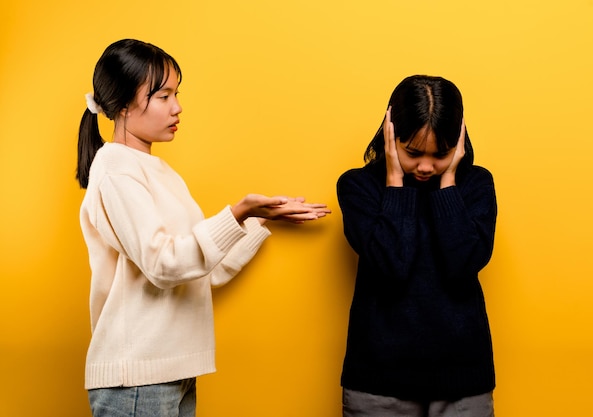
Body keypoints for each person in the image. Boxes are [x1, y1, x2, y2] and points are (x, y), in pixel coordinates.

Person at [76, 39, 330, 417]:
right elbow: (164, 265)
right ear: (125, 105)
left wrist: (256, 219)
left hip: (172, 371)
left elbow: (202, 273)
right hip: (136, 379)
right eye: (162, 96)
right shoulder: (116, 169)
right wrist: (236, 211)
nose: (177, 107)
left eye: (176, 94)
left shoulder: (161, 173)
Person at [337, 75, 497, 417]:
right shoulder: (358, 187)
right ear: (390, 136)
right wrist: (396, 183)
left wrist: (448, 184)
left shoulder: (475, 185)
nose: (425, 166)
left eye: (441, 154)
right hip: (378, 383)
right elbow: (392, 265)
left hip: (463, 381)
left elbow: (462, 264)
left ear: (459, 142)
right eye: (412, 153)